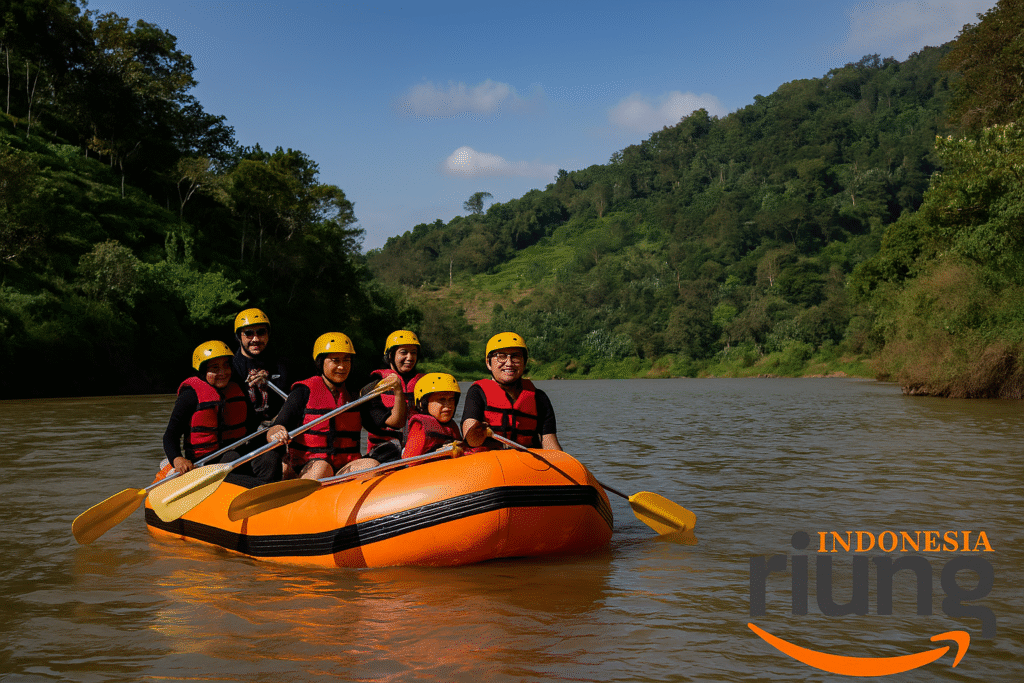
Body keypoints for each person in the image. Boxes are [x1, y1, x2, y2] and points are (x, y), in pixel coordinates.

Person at [266, 332, 405, 480]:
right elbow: (276, 427)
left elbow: (396, 423)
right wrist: (277, 432)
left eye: (346, 360)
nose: (342, 366)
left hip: (343, 468)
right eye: (335, 360)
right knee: (322, 468)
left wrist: (398, 392)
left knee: (371, 465)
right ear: (320, 362)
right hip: (308, 466)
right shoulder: (303, 392)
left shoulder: (354, 395)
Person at [162, 340, 281, 484]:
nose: (222, 372)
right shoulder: (190, 396)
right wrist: (177, 459)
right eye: (215, 368)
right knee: (231, 457)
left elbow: (252, 427)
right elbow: (170, 436)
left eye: (226, 366)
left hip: (238, 456)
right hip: (205, 463)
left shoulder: (238, 389)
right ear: (203, 370)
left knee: (270, 457)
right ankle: (258, 487)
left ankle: (265, 488)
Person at [461, 332, 562, 451]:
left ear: (524, 362)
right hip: (489, 462)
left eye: (516, 356)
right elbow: (471, 440)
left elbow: (551, 445)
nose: (509, 363)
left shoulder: (539, 398)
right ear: (488, 363)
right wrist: (477, 431)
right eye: (501, 356)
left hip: (527, 463)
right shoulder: (477, 392)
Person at [361, 330, 424, 459]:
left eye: (413, 352)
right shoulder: (373, 386)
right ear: (390, 355)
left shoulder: (424, 384)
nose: (410, 358)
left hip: (418, 448)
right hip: (384, 451)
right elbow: (390, 423)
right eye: (403, 352)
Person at [231, 307, 290, 431]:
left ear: (268, 335)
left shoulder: (282, 364)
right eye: (248, 333)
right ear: (239, 336)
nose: (255, 339)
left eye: (261, 332)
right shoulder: (231, 367)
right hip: (245, 433)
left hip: (277, 429)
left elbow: (294, 400)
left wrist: (270, 384)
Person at [402, 372, 463, 459]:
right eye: (441, 399)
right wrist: (439, 453)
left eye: (451, 399)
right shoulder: (420, 426)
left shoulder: (452, 426)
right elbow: (408, 462)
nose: (448, 404)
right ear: (424, 403)